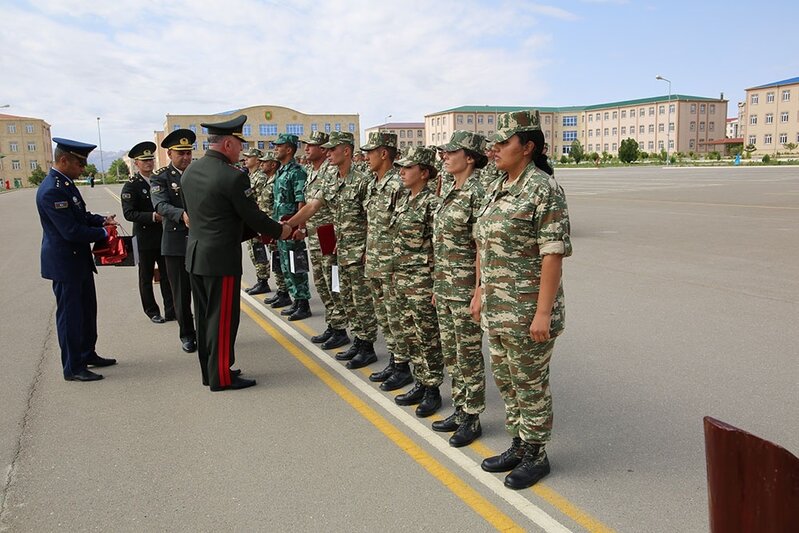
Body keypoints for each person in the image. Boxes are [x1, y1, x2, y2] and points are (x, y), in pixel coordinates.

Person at [471, 110, 572, 490]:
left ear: (528, 147)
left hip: (528, 310)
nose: (494, 148)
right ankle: (518, 442)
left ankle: (537, 453)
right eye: (494, 142)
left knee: (530, 383)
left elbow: (552, 254)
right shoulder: (499, 185)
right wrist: (480, 290)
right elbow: (484, 244)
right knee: (507, 380)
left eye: (503, 142)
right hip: (498, 308)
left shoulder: (542, 189)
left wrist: (543, 312)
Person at [180, 115, 291, 391]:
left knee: (205, 318)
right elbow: (252, 217)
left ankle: (211, 371)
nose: (241, 151)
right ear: (228, 143)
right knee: (223, 320)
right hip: (221, 260)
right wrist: (283, 231)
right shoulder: (233, 177)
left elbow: (199, 215)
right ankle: (221, 377)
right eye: (239, 144)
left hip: (195, 256)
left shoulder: (190, 172)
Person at [285, 132, 378, 363]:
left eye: (332, 149)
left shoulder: (363, 179)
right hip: (341, 249)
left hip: (358, 251)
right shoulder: (332, 179)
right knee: (346, 297)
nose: (328, 153)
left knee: (362, 301)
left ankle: (367, 346)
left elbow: (372, 218)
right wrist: (288, 224)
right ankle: (357, 340)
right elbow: (313, 206)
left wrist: (368, 249)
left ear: (346, 151)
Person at [36, 138, 118, 382]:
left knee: (86, 312)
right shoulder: (52, 189)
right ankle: (73, 367)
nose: (84, 169)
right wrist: (103, 233)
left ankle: (86, 353)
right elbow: (70, 231)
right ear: (63, 160)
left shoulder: (66, 184)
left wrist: (101, 220)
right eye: (80, 164)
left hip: (78, 261)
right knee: (71, 317)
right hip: (65, 264)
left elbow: (80, 216)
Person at [432, 130, 488, 447]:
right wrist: (438, 285)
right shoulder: (452, 188)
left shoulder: (477, 192)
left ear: (469, 157)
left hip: (466, 288)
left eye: (451, 152)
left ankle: (473, 417)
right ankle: (459, 407)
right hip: (446, 285)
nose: (445, 156)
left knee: (468, 355)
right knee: (452, 354)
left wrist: (479, 290)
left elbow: (481, 246)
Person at [389, 146, 444, 417]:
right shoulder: (403, 199)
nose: (402, 171)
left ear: (424, 173)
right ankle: (420, 381)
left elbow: (437, 247)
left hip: (422, 281)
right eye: (401, 167)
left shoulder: (431, 204)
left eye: (408, 168)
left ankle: (432, 389)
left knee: (427, 337)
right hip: (403, 278)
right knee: (410, 334)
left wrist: (436, 284)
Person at [361, 132, 409, 381]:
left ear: (384, 153)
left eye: (370, 152)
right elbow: (371, 224)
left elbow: (404, 227)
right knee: (383, 315)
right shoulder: (373, 183)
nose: (366, 156)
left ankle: (403, 365)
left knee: (396, 315)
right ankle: (394, 358)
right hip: (375, 261)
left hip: (392, 264)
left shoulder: (398, 185)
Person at [301, 131, 349, 349]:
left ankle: (340, 328)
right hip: (314, 236)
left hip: (330, 237)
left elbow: (315, 206)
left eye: (312, 145)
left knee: (334, 284)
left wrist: (288, 225)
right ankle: (333, 323)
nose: (307, 149)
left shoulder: (331, 173)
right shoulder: (311, 171)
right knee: (322, 285)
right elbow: (306, 204)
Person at [151, 129, 197, 353]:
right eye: (181, 153)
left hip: (200, 241)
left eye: (188, 152)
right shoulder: (160, 177)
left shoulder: (198, 173)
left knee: (203, 291)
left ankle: (207, 332)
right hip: (176, 243)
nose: (186, 157)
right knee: (181, 293)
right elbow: (160, 205)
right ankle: (187, 334)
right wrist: (181, 214)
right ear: (170, 154)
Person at [122, 141, 174, 324]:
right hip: (144, 238)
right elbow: (129, 213)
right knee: (146, 276)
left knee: (168, 275)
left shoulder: (159, 180)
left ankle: (171, 309)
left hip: (163, 236)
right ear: (136, 163)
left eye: (151, 159)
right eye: (144, 161)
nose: (149, 163)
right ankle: (152, 311)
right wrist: (152, 216)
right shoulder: (131, 186)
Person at [272, 133, 311, 321]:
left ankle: (304, 303)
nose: (275, 148)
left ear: (289, 149)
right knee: (286, 264)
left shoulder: (297, 171)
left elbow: (301, 201)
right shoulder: (281, 171)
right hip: (282, 226)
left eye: (279, 146)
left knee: (297, 264)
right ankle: (296, 299)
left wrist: (300, 227)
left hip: (292, 224)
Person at [258, 151, 289, 307]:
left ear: (273, 164)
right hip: (267, 227)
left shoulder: (276, 180)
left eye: (265, 161)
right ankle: (280, 290)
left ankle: (284, 292)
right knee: (274, 259)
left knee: (279, 260)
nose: (261, 164)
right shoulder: (267, 180)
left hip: (274, 226)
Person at [241, 147, 272, 296]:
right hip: (251, 219)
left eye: (249, 157)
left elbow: (258, 201)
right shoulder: (250, 176)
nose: (245, 159)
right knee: (254, 251)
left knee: (259, 251)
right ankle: (260, 279)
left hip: (258, 218)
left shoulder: (259, 177)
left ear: (258, 160)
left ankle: (263, 281)